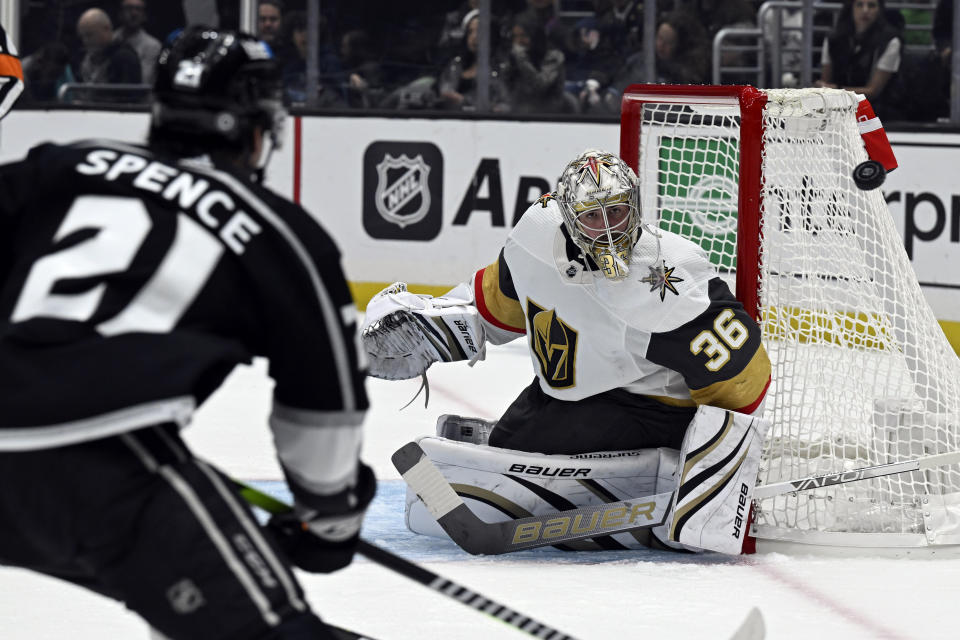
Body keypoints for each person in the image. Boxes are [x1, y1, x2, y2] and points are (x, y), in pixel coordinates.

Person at [0, 26, 372, 640]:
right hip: (107, 474)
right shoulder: (278, 233)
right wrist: (328, 518)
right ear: (256, 128)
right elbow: (322, 408)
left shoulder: (60, 166)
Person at [362, 149, 770, 550]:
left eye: (617, 212)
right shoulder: (536, 235)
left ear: (636, 206)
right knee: (508, 448)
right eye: (593, 216)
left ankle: (633, 471)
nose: (608, 230)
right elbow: (501, 304)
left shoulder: (668, 277)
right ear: (567, 215)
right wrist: (440, 324)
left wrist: (714, 473)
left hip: (651, 409)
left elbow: (742, 375)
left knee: (510, 472)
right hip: (562, 393)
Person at [815, 0, 902, 113]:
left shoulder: (891, 41)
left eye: (871, 6)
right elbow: (825, 82)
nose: (865, 10)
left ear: (879, 10)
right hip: (837, 107)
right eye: (859, 5)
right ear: (851, 8)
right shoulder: (833, 38)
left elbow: (873, 91)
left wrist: (836, 90)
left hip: (876, 110)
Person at [73, 7, 142, 102]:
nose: (85, 41)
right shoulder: (86, 58)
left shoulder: (125, 58)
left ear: (106, 29)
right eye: (82, 37)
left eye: (89, 35)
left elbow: (128, 99)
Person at [114, 0, 163, 84]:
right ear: (120, 14)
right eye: (129, 8)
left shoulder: (153, 46)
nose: (134, 13)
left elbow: (143, 82)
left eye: (138, 9)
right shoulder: (110, 40)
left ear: (144, 16)